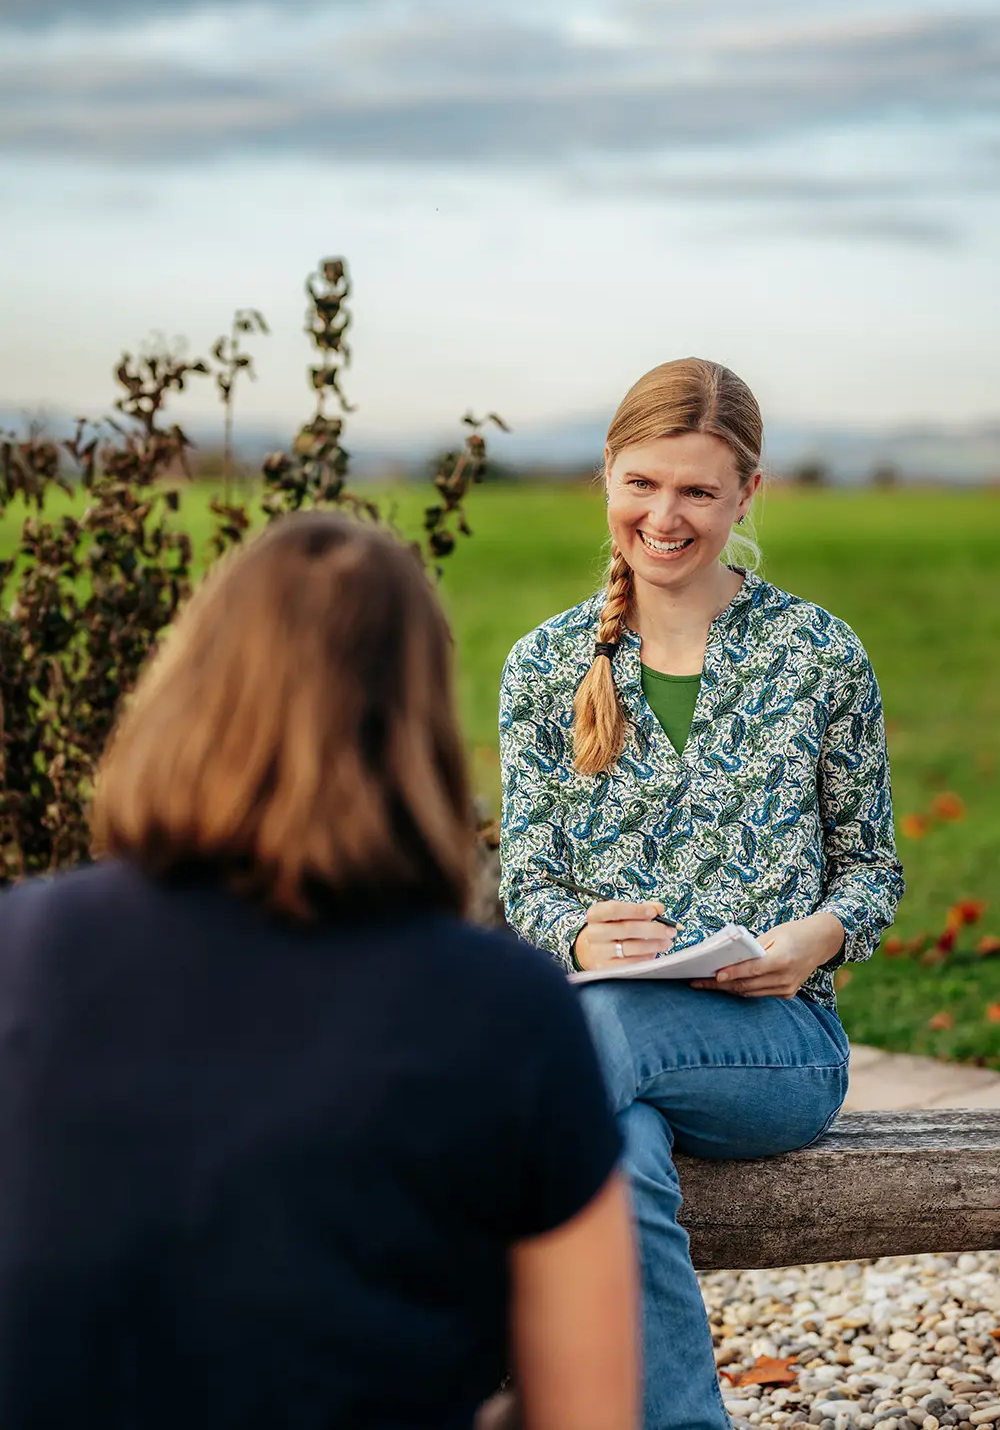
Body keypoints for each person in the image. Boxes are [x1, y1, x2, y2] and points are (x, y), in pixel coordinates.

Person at [0, 511, 638, 1430]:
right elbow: (590, 1412)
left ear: (186, 687)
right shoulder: (507, 1014)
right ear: (417, 726)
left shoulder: (23, 946)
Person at [499, 359, 904, 1430]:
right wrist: (577, 938)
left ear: (746, 496)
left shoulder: (817, 653)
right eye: (642, 484)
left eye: (696, 491)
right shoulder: (542, 668)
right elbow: (528, 884)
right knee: (611, 1148)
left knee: (573, 1055)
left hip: (777, 1047)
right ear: (605, 479)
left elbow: (873, 870)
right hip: (609, 1044)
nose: (663, 516)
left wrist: (812, 940)